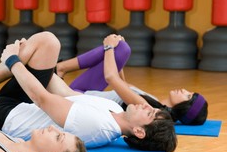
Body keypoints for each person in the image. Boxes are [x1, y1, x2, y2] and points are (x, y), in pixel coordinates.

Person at [0, 32, 177, 152]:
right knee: (48, 42)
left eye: (149, 113)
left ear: (139, 132)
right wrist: (36, 62)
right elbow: (64, 91)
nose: (145, 106)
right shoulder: (114, 109)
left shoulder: (98, 126)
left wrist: (13, 60)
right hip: (23, 102)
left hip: (7, 117)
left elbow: (42, 98)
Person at [55, 35, 208, 126]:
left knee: (121, 48)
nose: (184, 90)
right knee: (122, 49)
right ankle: (60, 68)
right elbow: (124, 85)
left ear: (185, 108)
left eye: (188, 96)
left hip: (75, 97)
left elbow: (111, 78)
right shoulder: (154, 102)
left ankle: (60, 68)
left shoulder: (149, 109)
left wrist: (109, 47)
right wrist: (117, 59)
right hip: (84, 93)